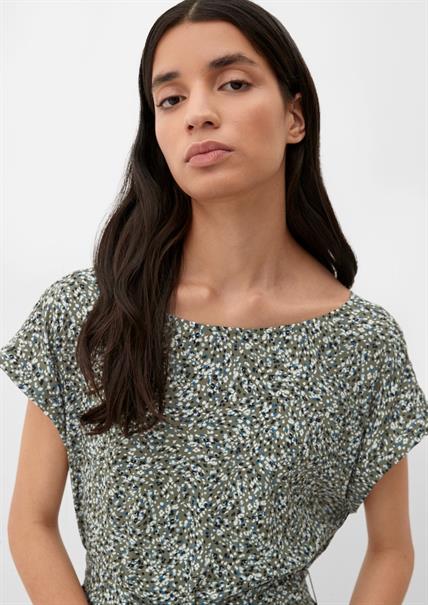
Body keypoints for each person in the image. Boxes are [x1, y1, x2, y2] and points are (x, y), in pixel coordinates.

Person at [1, 0, 427, 603]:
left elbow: (391, 549)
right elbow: (30, 524)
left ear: (295, 117)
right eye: (171, 99)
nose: (198, 114)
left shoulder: (363, 343)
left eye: (232, 83)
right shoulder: (89, 312)